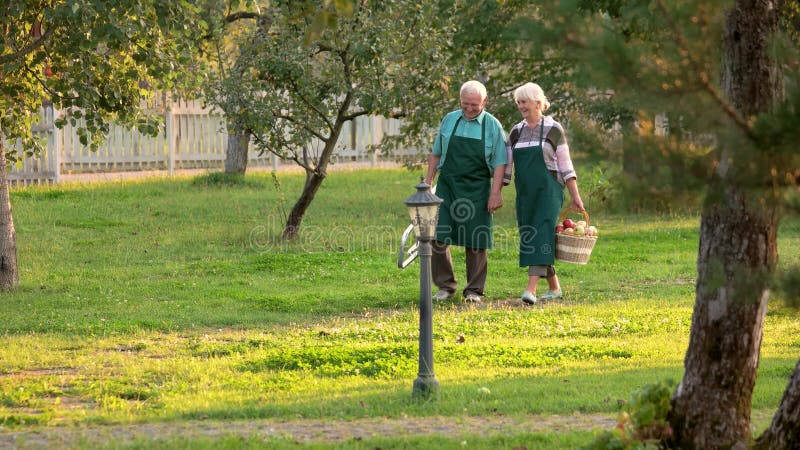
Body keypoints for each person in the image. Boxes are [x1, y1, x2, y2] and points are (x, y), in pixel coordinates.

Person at [425, 80, 507, 303]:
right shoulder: (450, 120)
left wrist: (495, 193)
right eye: (465, 104)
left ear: (485, 101)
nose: (469, 109)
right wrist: (427, 183)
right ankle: (446, 285)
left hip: (478, 187)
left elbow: (500, 162)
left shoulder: (492, 126)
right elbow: (435, 154)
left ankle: (474, 290)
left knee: (476, 240)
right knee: (438, 236)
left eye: (474, 105)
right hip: (447, 186)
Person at [504, 82, 584, 305]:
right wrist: (497, 190)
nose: (521, 106)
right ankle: (555, 287)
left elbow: (566, 165)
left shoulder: (553, 129)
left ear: (538, 103)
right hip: (526, 194)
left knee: (540, 233)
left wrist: (575, 196)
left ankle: (530, 290)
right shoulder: (516, 131)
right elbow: (506, 164)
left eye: (524, 102)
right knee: (533, 235)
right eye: (518, 102)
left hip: (549, 191)